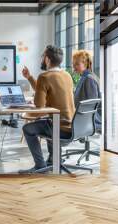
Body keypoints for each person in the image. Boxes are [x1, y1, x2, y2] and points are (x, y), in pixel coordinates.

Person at [19, 46, 75, 174]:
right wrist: (29, 77)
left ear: (47, 59)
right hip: (72, 126)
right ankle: (52, 161)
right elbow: (46, 89)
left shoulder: (44, 76)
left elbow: (39, 105)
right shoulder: (67, 75)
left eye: (43, 56)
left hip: (59, 128)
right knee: (48, 121)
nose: (42, 59)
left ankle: (40, 166)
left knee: (27, 129)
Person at [72, 50, 102, 132]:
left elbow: (91, 105)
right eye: (74, 64)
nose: (74, 67)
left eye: (77, 64)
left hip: (88, 121)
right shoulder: (85, 77)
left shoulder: (89, 79)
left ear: (85, 64)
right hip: (83, 118)